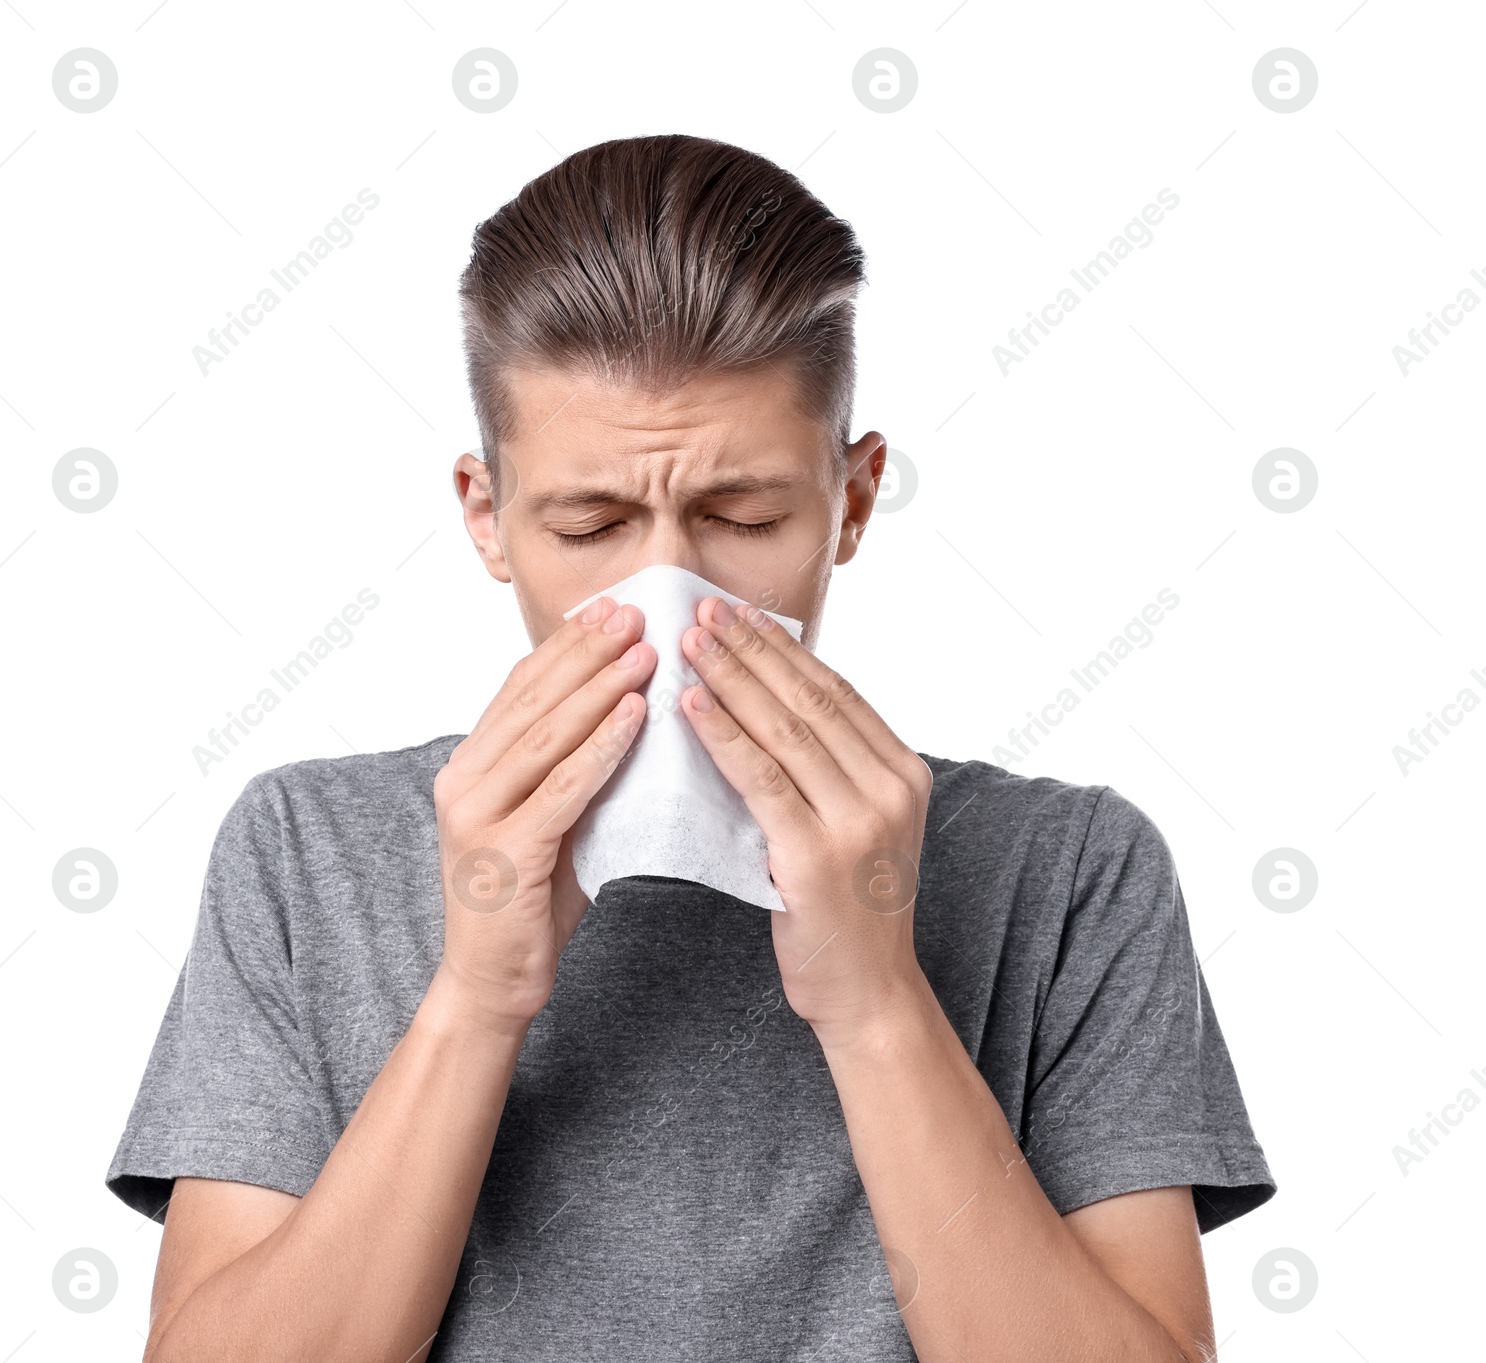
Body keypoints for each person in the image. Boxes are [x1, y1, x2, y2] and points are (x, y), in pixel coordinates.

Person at [107, 133, 1274, 1362]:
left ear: (854, 501)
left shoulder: (1069, 869)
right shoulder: (308, 853)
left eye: (744, 517)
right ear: (486, 516)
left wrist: (877, 1001)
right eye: (590, 522)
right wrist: (475, 998)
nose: (668, 590)